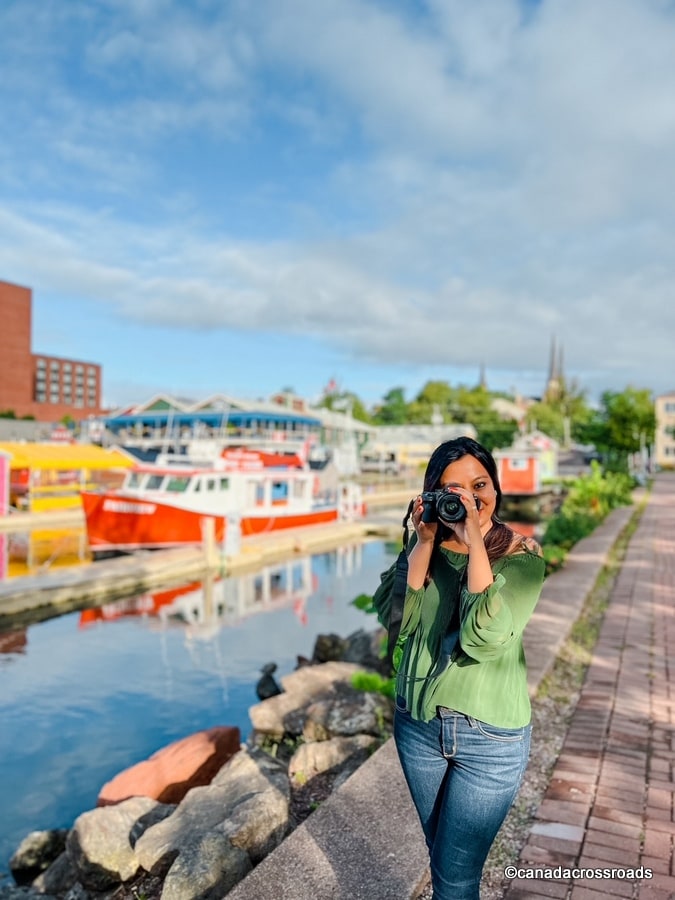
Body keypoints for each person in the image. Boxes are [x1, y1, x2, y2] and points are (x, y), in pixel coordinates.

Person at [381, 437, 545, 900]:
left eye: (479, 485)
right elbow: (395, 618)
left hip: (490, 737)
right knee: (442, 860)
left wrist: (475, 539)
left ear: (495, 488)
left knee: (455, 877)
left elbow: (484, 638)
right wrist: (425, 541)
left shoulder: (522, 555)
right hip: (417, 725)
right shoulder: (425, 547)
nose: (468, 498)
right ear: (433, 495)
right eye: (452, 491)